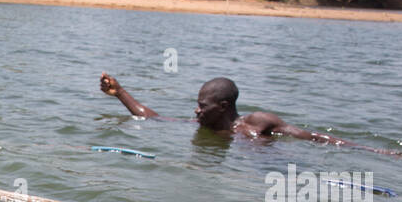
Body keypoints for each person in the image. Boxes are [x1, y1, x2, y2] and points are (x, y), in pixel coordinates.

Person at [100, 73, 368, 146]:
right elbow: (155, 119)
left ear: (223, 107)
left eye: (202, 106)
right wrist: (120, 92)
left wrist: (374, 150)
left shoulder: (257, 123)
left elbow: (315, 138)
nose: (196, 111)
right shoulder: (204, 125)